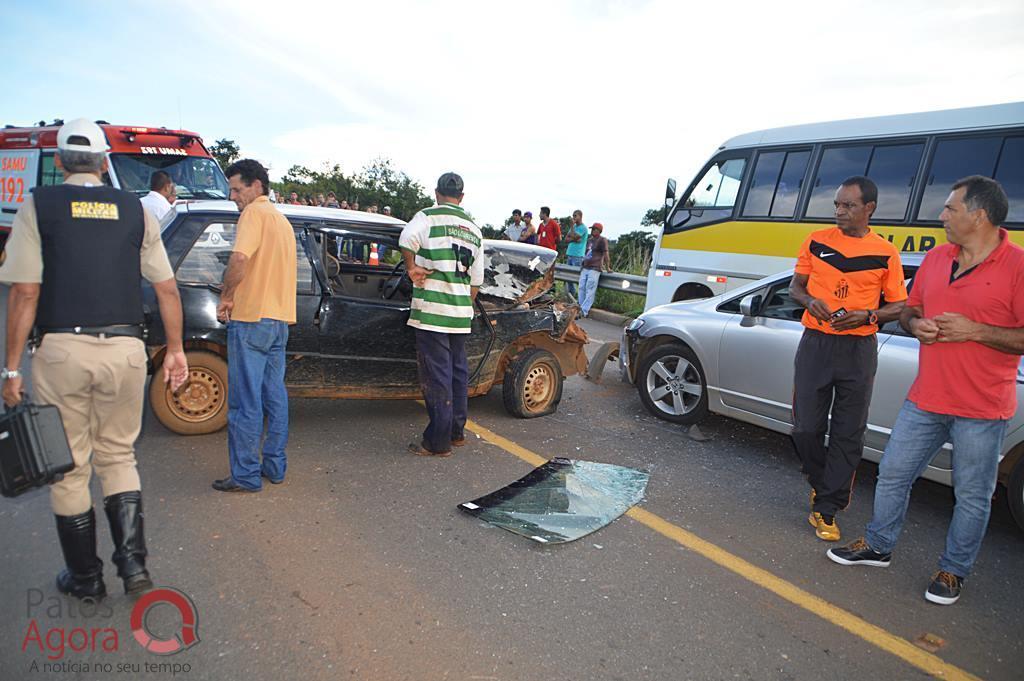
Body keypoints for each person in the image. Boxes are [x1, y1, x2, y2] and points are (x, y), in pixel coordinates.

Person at [0, 118, 189, 600]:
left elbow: (24, 292)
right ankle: (133, 569)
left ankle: (85, 578)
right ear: (106, 162)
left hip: (63, 351)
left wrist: (11, 367)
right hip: (126, 350)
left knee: (71, 467)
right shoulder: (134, 209)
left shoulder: (38, 205)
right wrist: (177, 351)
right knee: (119, 455)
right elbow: (166, 288)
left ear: (60, 162)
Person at [828, 176, 1024, 605]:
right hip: (926, 397)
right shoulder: (937, 258)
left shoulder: (1017, 266)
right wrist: (917, 326)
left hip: (982, 406)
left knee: (971, 495)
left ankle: (953, 571)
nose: (942, 216)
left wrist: (977, 330)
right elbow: (910, 310)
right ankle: (878, 546)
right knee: (894, 474)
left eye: (950, 209)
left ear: (980, 215)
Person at [789, 176, 907, 541]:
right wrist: (810, 301)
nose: (840, 211)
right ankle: (822, 481)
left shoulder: (886, 251)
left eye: (848, 205)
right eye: (837, 205)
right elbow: (795, 286)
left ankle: (827, 507)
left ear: (868, 209)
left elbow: (898, 305)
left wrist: (869, 316)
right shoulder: (817, 240)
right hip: (816, 343)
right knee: (805, 428)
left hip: (858, 349)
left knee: (848, 431)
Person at [213, 159, 297, 493]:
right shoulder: (281, 220)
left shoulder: (253, 215)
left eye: (237, 188)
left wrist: (226, 296)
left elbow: (240, 259)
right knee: (274, 397)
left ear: (256, 186)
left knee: (244, 403)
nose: (232, 196)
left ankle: (245, 475)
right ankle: (274, 467)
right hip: (279, 321)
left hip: (251, 320)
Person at [399, 172, 483, 457]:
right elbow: (476, 281)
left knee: (437, 377)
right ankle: (457, 433)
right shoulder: (474, 230)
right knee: (458, 374)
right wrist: (463, 305)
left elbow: (406, 239)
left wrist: (411, 267)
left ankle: (437, 443)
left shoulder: (427, 217)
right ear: (461, 197)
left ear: (437, 193)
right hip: (460, 315)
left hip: (432, 312)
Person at [578, 222, 609, 317]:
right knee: (581, 287)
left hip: (595, 267)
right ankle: (580, 307)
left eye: (594, 229)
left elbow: (606, 253)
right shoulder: (589, 240)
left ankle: (584, 310)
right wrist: (583, 263)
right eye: (592, 229)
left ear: (599, 231)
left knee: (590, 288)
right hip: (586, 266)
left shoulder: (602, 240)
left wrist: (608, 266)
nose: (592, 231)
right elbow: (586, 252)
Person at [564, 209, 588, 297]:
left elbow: (575, 236)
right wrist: (574, 239)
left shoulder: (583, 228)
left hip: (577, 256)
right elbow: (566, 239)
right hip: (570, 254)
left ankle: (581, 297)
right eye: (573, 215)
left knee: (577, 278)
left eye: (575, 216)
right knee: (568, 277)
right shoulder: (573, 227)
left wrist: (572, 232)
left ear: (580, 217)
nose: (573, 217)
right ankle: (571, 296)